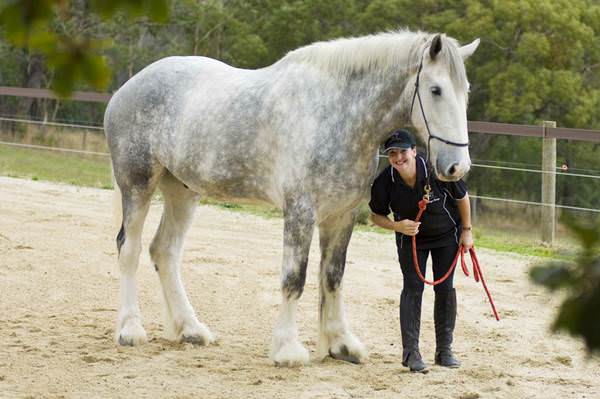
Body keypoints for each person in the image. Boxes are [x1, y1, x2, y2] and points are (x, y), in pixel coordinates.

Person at [369, 129, 473, 373]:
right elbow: (376, 215)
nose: (398, 158)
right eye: (392, 154)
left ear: (414, 151)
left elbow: (462, 197)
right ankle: (411, 353)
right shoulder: (385, 182)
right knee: (413, 288)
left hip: (446, 236)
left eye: (403, 151)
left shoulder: (436, 169)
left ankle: (444, 350)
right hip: (411, 240)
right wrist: (397, 226)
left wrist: (467, 230)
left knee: (445, 288)